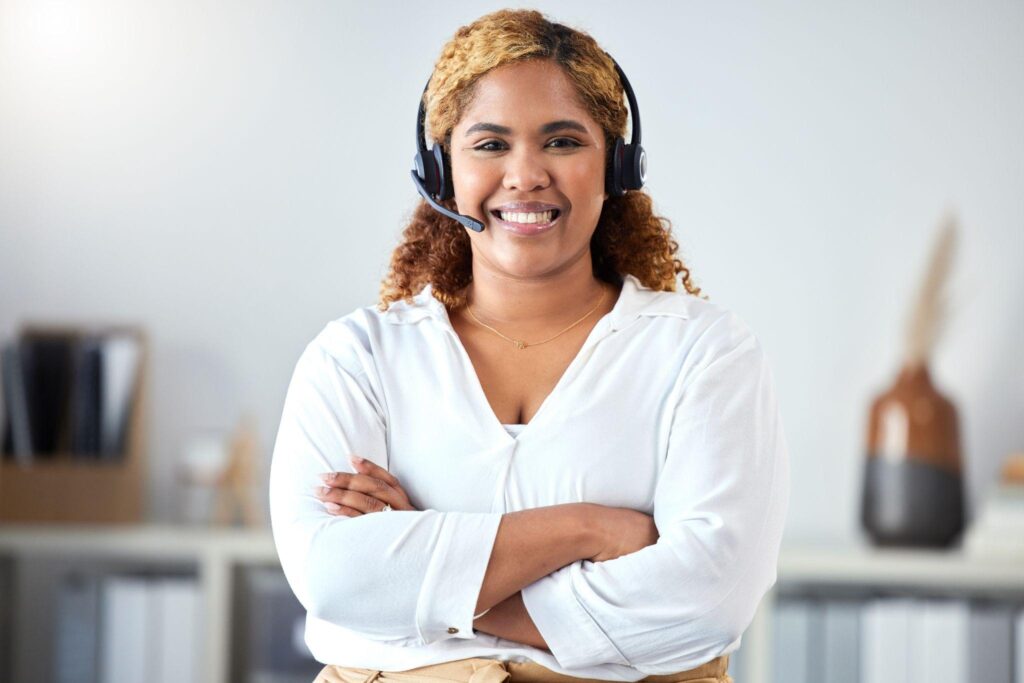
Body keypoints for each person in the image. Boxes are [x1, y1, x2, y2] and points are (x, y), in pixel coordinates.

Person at [269, 9, 789, 683]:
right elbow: (337, 576)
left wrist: (432, 571)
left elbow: (711, 595)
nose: (525, 175)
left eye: (563, 141)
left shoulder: (704, 352)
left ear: (616, 164)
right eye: (489, 144)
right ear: (441, 170)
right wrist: (592, 530)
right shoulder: (356, 358)